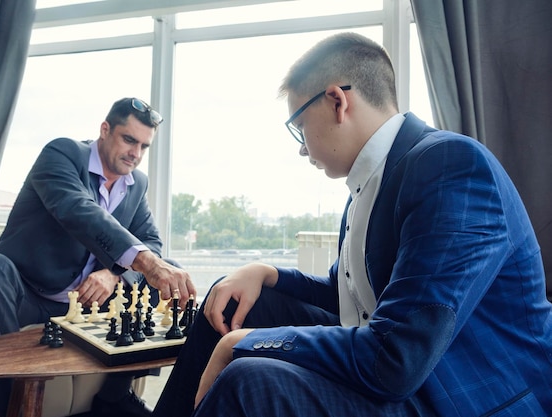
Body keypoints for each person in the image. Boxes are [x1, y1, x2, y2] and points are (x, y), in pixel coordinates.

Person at [152, 32, 552, 417]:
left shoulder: (451, 165)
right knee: (233, 297)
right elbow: (349, 301)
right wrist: (266, 273)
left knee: (249, 378)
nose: (302, 147)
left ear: (337, 101)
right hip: (403, 368)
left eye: (299, 125)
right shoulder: (371, 182)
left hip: (452, 394)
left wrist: (246, 343)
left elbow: (398, 357)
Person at [0, 97, 196, 417]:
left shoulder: (136, 183)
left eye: (144, 146)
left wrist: (114, 274)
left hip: (87, 300)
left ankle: (114, 397)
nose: (135, 154)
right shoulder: (62, 153)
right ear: (105, 129)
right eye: (129, 140)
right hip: (28, 290)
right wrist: (147, 263)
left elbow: (150, 240)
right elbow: (77, 210)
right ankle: (10, 408)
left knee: (163, 275)